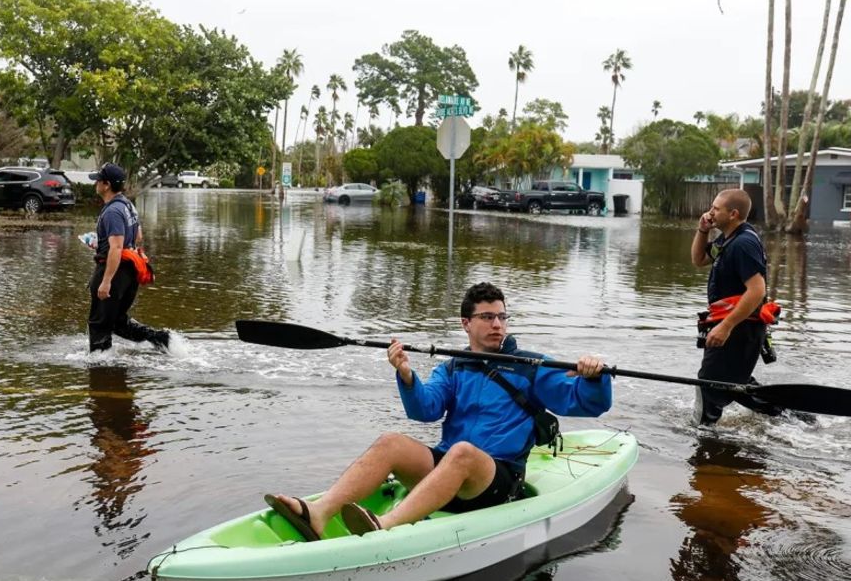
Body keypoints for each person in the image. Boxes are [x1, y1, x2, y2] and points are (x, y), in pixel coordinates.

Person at [264, 281, 612, 540]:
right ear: (466, 323)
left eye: (502, 317)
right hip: (450, 471)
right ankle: (319, 513)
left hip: (497, 480)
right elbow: (425, 410)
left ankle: (384, 526)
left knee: (462, 452)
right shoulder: (453, 368)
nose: (497, 325)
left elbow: (585, 402)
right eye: (488, 317)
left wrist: (593, 377)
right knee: (391, 442)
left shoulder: (530, 366)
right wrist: (406, 375)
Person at [690, 188, 780, 424]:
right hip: (737, 328)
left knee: (708, 382)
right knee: (732, 382)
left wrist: (726, 327)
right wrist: (703, 230)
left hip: (740, 329)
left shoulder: (743, 243)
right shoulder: (729, 238)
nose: (710, 212)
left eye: (716, 209)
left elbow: (757, 290)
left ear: (733, 214)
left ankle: (704, 437)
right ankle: (783, 414)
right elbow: (699, 260)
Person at [87, 163, 170, 353]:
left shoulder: (112, 212)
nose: (96, 184)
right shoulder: (127, 205)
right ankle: (161, 339)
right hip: (129, 274)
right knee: (117, 321)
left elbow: (116, 247)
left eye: (98, 180)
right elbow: (138, 236)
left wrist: (106, 281)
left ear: (106, 185)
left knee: (99, 324)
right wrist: (102, 242)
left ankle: (101, 369)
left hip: (114, 272)